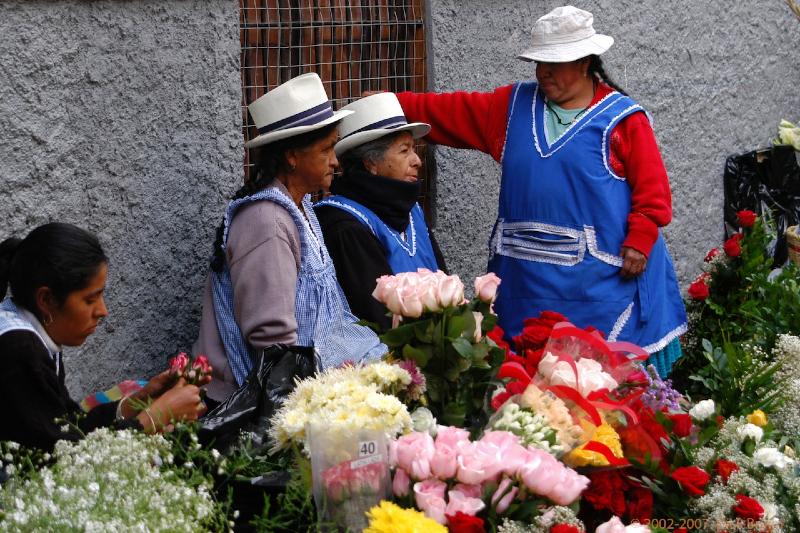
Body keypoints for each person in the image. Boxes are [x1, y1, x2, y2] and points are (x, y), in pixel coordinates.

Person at [394, 6, 687, 374]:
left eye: (555, 62)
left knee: (602, 385)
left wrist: (641, 235)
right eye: (539, 62)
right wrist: (391, 107)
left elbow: (653, 190)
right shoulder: (512, 108)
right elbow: (450, 111)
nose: (543, 72)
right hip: (525, 282)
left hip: (600, 280)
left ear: (585, 62)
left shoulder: (624, 120)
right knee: (529, 383)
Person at [194, 73, 387, 405]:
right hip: (269, 399)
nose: (335, 161)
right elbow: (273, 341)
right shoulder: (267, 222)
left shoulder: (303, 207)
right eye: (326, 148)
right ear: (292, 156)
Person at [0, 223, 206, 451]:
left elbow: (68, 424)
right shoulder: (19, 350)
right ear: (46, 299)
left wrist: (142, 399)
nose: (102, 311)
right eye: (90, 300)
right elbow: (60, 457)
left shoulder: (37, 334)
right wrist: (153, 419)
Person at [314, 92, 447, 328]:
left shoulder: (412, 209)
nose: (417, 160)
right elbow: (375, 317)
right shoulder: (344, 224)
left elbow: (446, 285)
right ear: (371, 163)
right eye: (404, 150)